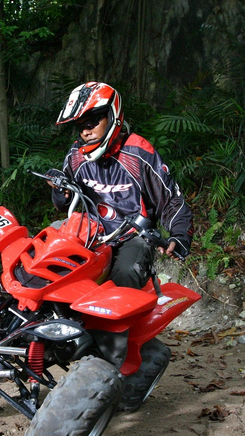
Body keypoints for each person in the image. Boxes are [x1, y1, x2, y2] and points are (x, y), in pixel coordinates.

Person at [48, 81, 194, 369]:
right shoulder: (76, 155)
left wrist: (178, 234)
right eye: (80, 124)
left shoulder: (139, 153)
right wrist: (59, 193)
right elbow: (66, 202)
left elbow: (171, 199)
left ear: (113, 115)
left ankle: (110, 366)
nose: (85, 130)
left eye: (91, 121)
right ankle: (47, 332)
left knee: (125, 273)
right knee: (49, 249)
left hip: (132, 237)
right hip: (89, 234)